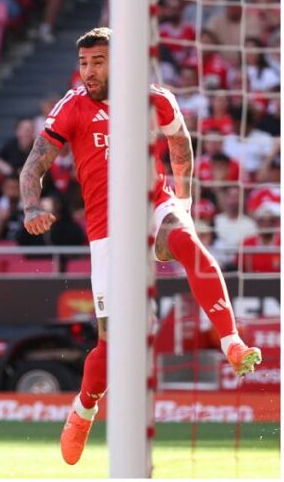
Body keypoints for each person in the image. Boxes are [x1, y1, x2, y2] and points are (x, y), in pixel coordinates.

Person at [19, 27, 262, 466]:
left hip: (154, 206)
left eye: (98, 62)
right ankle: (83, 409)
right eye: (84, 63)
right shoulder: (72, 106)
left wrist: (184, 201)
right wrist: (31, 206)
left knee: (187, 242)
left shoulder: (155, 98)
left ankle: (231, 341)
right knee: (112, 347)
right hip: (108, 230)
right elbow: (33, 165)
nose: (89, 72)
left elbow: (179, 142)